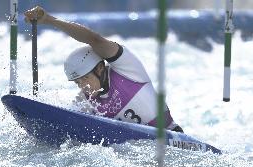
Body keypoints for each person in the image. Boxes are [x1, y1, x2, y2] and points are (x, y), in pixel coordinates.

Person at [24, 6, 183, 133]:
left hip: (171, 138)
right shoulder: (84, 101)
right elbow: (63, 125)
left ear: (100, 68)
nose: (82, 86)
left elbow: (94, 40)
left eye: (85, 78)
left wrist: (51, 20)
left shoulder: (127, 69)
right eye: (77, 82)